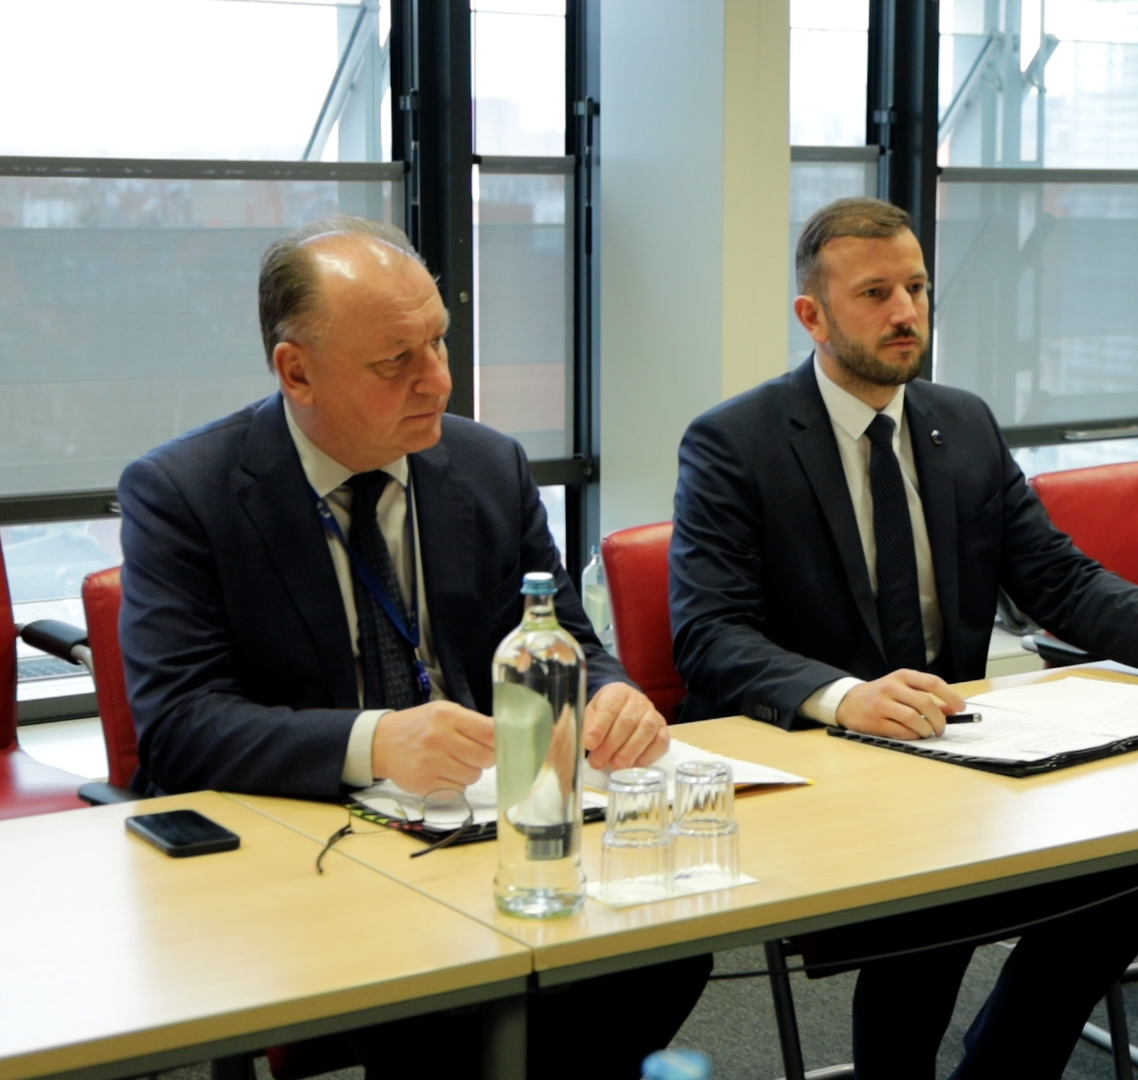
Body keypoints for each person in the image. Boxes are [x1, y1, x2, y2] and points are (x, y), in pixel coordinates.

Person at [670, 196, 1138, 1079]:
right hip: (822, 763)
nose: (906, 311)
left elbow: (1056, 576)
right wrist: (845, 698)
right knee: (932, 893)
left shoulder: (960, 422)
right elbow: (709, 633)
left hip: (954, 751)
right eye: (876, 294)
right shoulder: (735, 442)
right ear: (812, 316)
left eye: (918, 287)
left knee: (1137, 863)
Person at [116, 215, 709, 1077]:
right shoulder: (185, 492)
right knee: (444, 1006)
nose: (438, 379)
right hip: (311, 845)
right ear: (296, 372)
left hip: (483, 826)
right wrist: (376, 742)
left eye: (438, 341)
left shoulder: (488, 465)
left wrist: (609, 694)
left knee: (663, 947)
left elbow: (565, 638)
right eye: (396, 360)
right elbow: (179, 725)